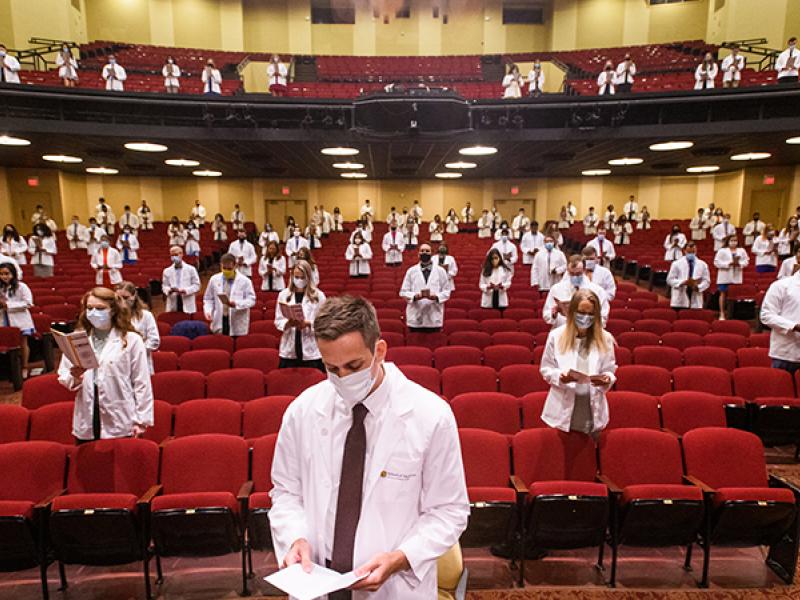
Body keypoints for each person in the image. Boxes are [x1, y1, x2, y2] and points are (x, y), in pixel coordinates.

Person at [270, 294, 468, 598]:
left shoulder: (430, 415)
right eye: (332, 368)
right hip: (317, 579)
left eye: (354, 365)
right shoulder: (302, 411)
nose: (343, 378)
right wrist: (294, 538)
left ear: (379, 351)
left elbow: (449, 511)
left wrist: (401, 558)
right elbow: (286, 493)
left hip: (394, 586)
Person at [58, 287, 153, 443]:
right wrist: (75, 377)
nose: (94, 313)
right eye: (89, 308)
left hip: (120, 414)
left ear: (113, 310)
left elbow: (142, 382)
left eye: (100, 308)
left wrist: (142, 420)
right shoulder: (77, 339)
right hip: (88, 412)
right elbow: (64, 375)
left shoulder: (131, 340)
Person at [539, 288, 617, 435]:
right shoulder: (556, 336)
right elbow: (546, 369)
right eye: (581, 313)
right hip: (561, 411)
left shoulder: (605, 338)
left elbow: (610, 369)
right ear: (572, 311)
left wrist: (607, 378)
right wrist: (560, 376)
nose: (585, 318)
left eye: (590, 314)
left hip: (591, 410)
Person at [274, 260, 326, 371]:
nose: (299, 280)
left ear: (308, 277)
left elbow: (325, 323)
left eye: (302, 277)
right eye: (296, 277)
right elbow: (278, 320)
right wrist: (288, 323)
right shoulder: (284, 294)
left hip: (311, 349)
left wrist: (308, 324)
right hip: (289, 348)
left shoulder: (319, 296)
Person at [543, 255, 609, 330]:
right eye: (572, 274)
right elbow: (546, 313)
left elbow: (603, 317)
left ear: (584, 270)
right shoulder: (556, 289)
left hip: (588, 332)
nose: (575, 277)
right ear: (568, 271)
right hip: (562, 330)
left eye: (578, 274)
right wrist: (553, 314)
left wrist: (587, 317)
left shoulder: (597, 291)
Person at [400, 244, 451, 332]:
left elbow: (447, 291)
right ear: (418, 254)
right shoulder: (411, 271)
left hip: (434, 317)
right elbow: (403, 291)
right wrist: (415, 296)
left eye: (427, 251)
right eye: (422, 251)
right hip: (415, 316)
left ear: (431, 254)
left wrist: (436, 297)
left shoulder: (441, 271)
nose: (424, 253)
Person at [204, 254, 256, 337]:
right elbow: (208, 298)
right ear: (221, 266)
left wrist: (237, 304)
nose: (226, 271)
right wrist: (208, 311)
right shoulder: (214, 279)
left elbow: (252, 300)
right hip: (219, 318)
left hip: (237, 320)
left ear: (235, 266)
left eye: (229, 269)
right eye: (224, 268)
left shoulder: (245, 281)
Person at [759, 269, 800, 375]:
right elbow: (766, 315)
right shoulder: (781, 285)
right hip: (787, 352)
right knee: (781, 384)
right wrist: (794, 326)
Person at [115, 281, 160, 374]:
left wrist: (135, 351)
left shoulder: (146, 315)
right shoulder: (113, 316)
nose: (123, 301)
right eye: (119, 298)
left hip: (141, 361)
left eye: (126, 297)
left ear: (134, 296)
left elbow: (154, 341)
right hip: (118, 363)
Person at [0, 262, 34, 376]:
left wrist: (8, 305)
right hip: (4, 317)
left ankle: (25, 367)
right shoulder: (1, 287)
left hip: (20, 318)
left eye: (6, 274)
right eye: (1, 274)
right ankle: (11, 369)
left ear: (13, 274)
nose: (4, 276)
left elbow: (28, 303)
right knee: (9, 345)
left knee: (23, 343)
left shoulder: (22, 286)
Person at [667, 242, 710, 310]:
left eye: (693, 252)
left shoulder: (703, 264)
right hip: (680, 297)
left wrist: (699, 287)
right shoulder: (676, 263)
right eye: (689, 252)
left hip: (696, 297)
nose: (691, 254)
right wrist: (682, 282)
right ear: (684, 251)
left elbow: (706, 281)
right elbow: (670, 280)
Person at [714, 236, 749, 320]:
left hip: (736, 276)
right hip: (724, 275)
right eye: (732, 240)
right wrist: (728, 264)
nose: (734, 242)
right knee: (723, 293)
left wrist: (739, 264)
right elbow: (716, 262)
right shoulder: (722, 251)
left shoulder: (741, 250)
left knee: (734, 295)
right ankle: (722, 313)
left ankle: (732, 314)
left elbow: (746, 261)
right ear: (728, 241)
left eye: (735, 240)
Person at [162, 246, 201, 314]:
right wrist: (169, 290)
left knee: (187, 317)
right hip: (173, 299)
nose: (174, 257)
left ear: (181, 254)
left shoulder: (191, 269)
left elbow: (197, 285)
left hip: (187, 298)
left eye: (176, 255)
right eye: (172, 255)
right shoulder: (167, 271)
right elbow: (164, 285)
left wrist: (185, 290)